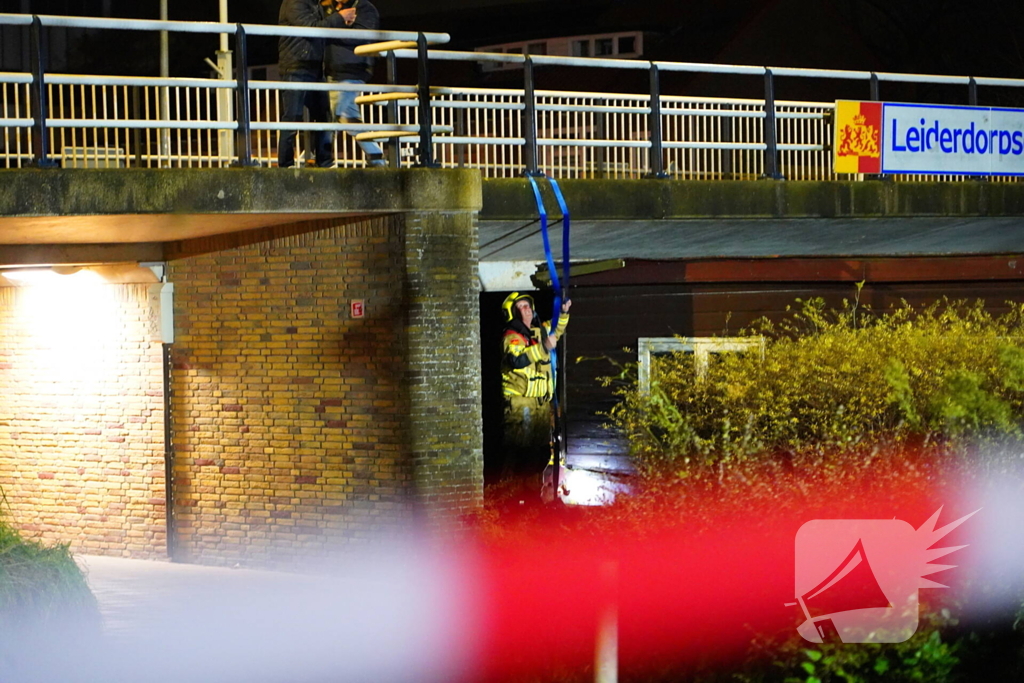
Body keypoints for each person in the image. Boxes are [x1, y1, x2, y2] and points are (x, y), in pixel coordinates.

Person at [500, 292, 571, 478]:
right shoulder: (512, 336)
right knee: (519, 452)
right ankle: (510, 496)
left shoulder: (539, 332)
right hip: (521, 403)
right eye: (522, 306)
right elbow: (517, 360)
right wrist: (543, 348)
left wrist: (563, 313)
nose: (527, 308)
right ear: (513, 313)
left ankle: (532, 497)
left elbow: (557, 329)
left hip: (540, 404)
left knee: (540, 453)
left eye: (528, 305)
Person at [277, 0, 353, 168]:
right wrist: (339, 17)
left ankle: (325, 161)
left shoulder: (314, 4)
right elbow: (311, 28)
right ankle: (286, 164)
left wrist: (339, 20)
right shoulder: (294, 2)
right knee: (292, 117)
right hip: (296, 66)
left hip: (314, 66)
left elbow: (321, 29)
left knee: (324, 115)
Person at [323, 0, 387, 167]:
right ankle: (377, 159)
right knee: (343, 116)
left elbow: (362, 36)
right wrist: (338, 19)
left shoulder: (364, 7)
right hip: (333, 71)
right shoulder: (329, 7)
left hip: (352, 70)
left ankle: (320, 158)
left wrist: (333, 23)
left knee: (336, 114)